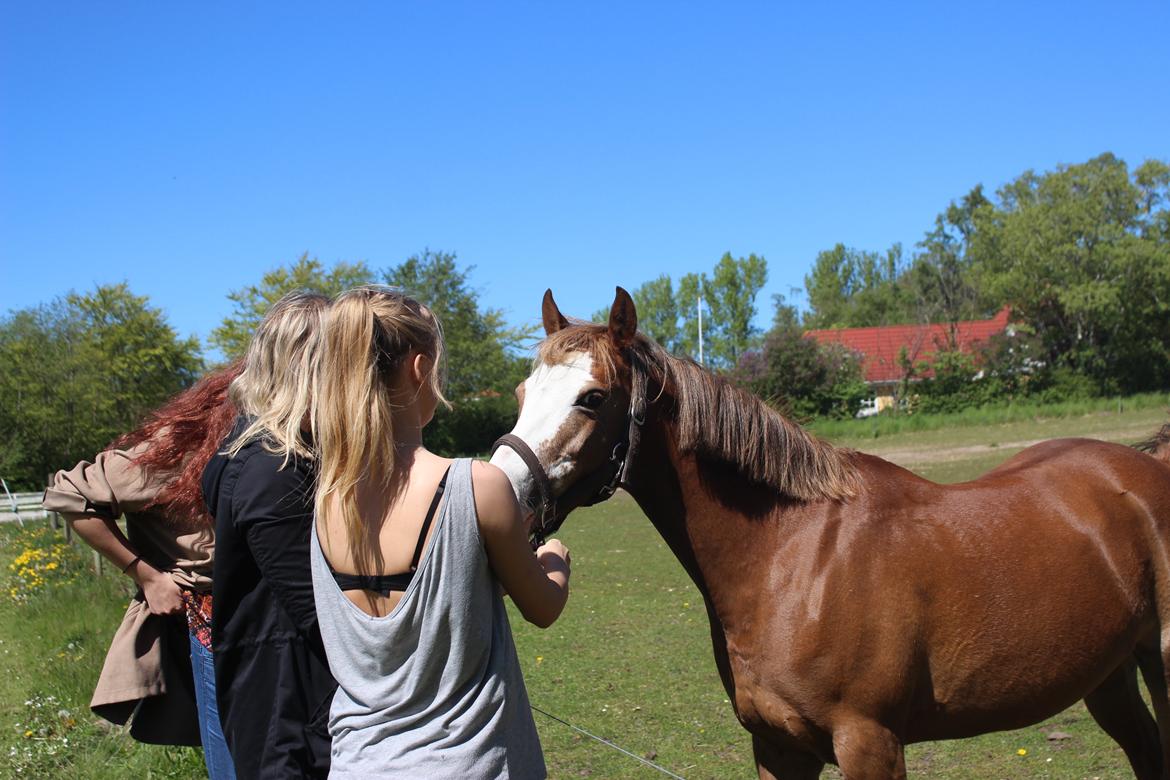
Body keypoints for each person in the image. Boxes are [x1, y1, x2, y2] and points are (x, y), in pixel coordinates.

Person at [309, 286, 571, 778]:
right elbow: (543, 608)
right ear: (419, 370)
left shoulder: (326, 498)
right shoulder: (476, 485)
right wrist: (554, 559)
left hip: (355, 764)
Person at [41, 362, 242, 780]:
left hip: (268, 616)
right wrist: (147, 576)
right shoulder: (184, 446)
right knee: (233, 750)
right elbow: (71, 494)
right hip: (211, 619)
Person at [201, 291, 337, 779]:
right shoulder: (271, 468)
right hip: (291, 720)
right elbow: (322, 616)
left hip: (295, 710)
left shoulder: (264, 451)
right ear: (311, 367)